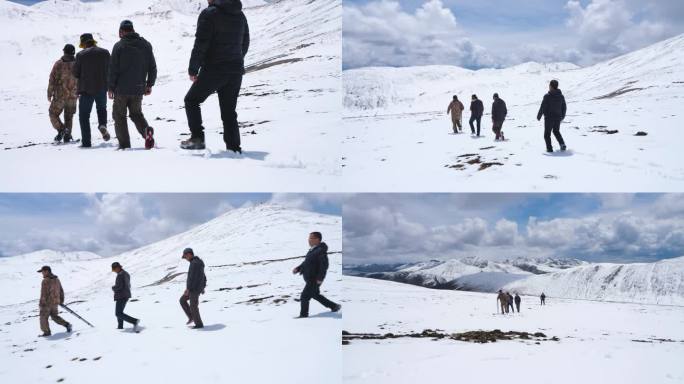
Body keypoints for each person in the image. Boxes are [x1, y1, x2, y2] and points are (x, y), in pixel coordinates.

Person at [181, 0, 250, 152]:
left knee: (191, 100)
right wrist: (236, 59)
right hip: (235, 70)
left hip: (214, 69)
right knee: (229, 111)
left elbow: (201, 44)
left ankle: (197, 138)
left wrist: (193, 68)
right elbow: (245, 42)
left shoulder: (209, 14)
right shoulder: (240, 14)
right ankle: (233, 148)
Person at [108, 20, 157, 150]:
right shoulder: (145, 45)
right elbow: (152, 67)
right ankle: (146, 131)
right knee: (136, 114)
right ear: (133, 29)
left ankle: (124, 145)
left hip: (121, 90)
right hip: (138, 88)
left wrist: (111, 87)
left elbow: (113, 69)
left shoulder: (119, 46)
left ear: (121, 31)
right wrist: (149, 84)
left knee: (119, 115)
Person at [72, 33, 111, 147]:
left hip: (86, 89)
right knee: (101, 109)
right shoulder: (105, 52)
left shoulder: (80, 55)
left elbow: (75, 73)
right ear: (93, 41)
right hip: (102, 87)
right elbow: (111, 68)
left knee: (84, 116)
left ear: (83, 43)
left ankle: (86, 142)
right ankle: (102, 125)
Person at [292, 232, 341, 318]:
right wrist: (298, 268)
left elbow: (324, 266)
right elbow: (306, 263)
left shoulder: (321, 251)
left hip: (314, 279)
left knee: (304, 296)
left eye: (311, 238)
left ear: (317, 240)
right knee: (315, 295)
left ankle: (303, 315)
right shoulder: (313, 250)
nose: (309, 240)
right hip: (309, 278)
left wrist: (320, 278)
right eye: (309, 238)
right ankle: (334, 306)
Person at [47, 44, 78, 143]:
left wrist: (49, 92)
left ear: (64, 51)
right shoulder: (78, 63)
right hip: (73, 95)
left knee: (53, 113)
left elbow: (52, 79)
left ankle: (62, 130)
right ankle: (67, 136)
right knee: (69, 116)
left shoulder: (59, 64)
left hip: (60, 95)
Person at [37, 266, 72, 337]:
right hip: (55, 302)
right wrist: (61, 300)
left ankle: (46, 332)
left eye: (43, 272)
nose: (42, 273)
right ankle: (67, 324)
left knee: (43, 317)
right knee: (54, 316)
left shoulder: (45, 281)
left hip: (47, 303)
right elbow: (61, 290)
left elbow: (44, 293)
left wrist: (42, 303)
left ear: (47, 271)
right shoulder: (56, 279)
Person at [537, 79, 567, 152]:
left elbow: (543, 106)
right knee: (556, 131)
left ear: (551, 86)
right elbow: (564, 107)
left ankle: (549, 149)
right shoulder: (561, 96)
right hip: (558, 117)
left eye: (549, 85)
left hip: (549, 118)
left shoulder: (547, 96)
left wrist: (539, 115)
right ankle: (562, 144)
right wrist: (562, 116)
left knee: (547, 134)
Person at [180, 248, 206, 329]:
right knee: (182, 300)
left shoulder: (194, 263)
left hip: (194, 289)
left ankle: (199, 324)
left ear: (189, 254)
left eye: (185, 256)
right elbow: (203, 277)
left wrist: (188, 289)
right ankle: (191, 317)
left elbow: (192, 278)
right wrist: (203, 286)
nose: (185, 259)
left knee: (193, 306)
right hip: (196, 288)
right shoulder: (197, 262)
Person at [111, 262, 140, 331]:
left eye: (114, 270)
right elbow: (127, 285)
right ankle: (120, 326)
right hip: (125, 295)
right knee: (120, 312)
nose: (114, 271)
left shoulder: (120, 275)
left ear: (117, 268)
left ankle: (134, 321)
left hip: (121, 295)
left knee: (118, 313)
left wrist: (113, 288)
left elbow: (119, 286)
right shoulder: (126, 273)